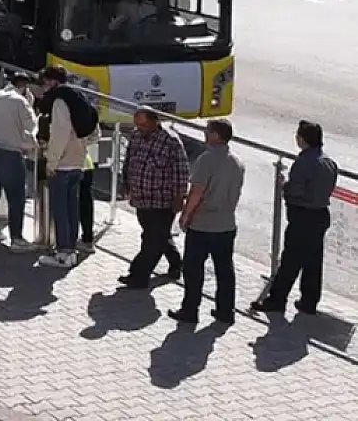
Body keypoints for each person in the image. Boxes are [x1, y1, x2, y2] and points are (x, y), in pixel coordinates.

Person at [254, 120, 338, 316]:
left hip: (303, 216)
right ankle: (309, 301)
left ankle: (276, 299)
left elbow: (296, 191)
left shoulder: (303, 163)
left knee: (290, 259)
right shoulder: (329, 163)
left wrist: (285, 186)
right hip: (320, 214)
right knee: (313, 261)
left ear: (302, 139)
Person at [171, 118, 244, 325]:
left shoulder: (206, 160)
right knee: (225, 270)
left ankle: (190, 311)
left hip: (203, 224)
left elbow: (196, 192)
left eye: (207, 131)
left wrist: (185, 216)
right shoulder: (236, 161)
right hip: (226, 224)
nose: (204, 134)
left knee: (193, 270)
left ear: (215, 136)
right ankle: (225, 311)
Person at [118, 107, 189, 289]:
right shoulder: (135, 137)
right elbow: (128, 161)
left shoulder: (170, 141)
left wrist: (179, 197)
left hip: (162, 201)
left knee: (152, 240)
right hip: (141, 199)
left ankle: (138, 275)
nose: (139, 127)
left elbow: (181, 171)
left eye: (143, 124)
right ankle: (176, 264)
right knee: (156, 236)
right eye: (137, 124)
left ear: (154, 121)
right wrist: (125, 183)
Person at [38, 65, 95, 269]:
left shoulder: (60, 102)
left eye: (44, 83)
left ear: (52, 81)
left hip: (62, 165)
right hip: (78, 163)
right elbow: (94, 130)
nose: (43, 89)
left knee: (60, 211)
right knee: (72, 210)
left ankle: (63, 253)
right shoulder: (80, 97)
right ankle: (71, 251)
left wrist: (51, 162)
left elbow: (59, 135)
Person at [0, 70, 37, 251]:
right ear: (24, 86)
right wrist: (30, 104)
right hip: (11, 153)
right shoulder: (21, 102)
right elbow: (32, 126)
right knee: (16, 197)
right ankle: (16, 238)